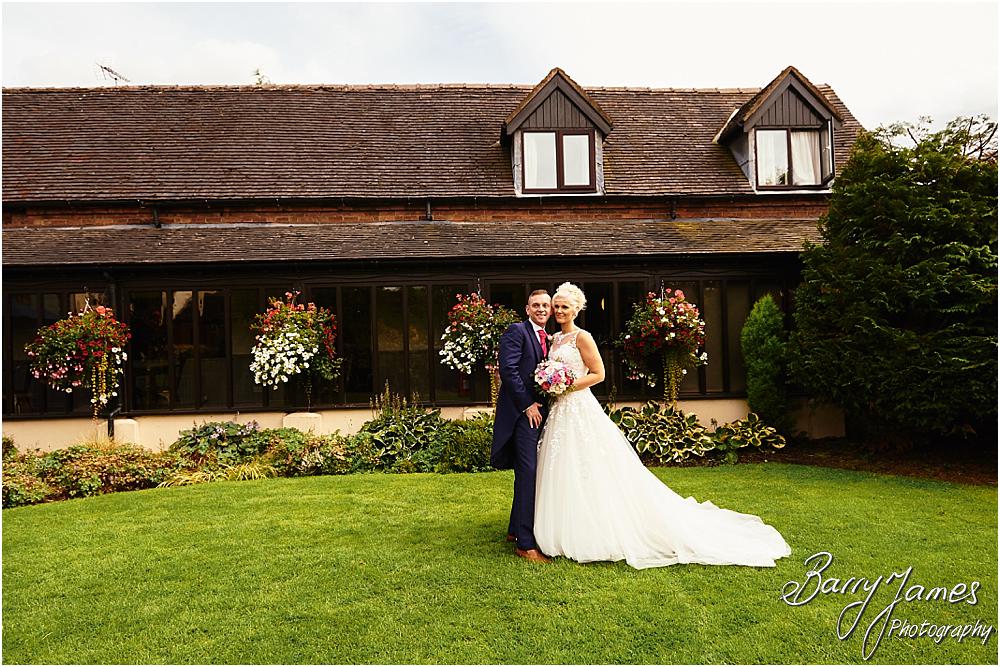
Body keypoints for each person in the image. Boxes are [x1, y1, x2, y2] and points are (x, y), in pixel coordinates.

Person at [533, 282, 792, 569]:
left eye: (564, 306)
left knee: (590, 465)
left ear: (577, 309)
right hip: (559, 411)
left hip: (578, 406)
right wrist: (551, 384)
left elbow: (599, 374)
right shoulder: (554, 339)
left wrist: (566, 385)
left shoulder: (583, 338)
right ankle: (565, 523)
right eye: (556, 306)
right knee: (563, 464)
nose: (558, 311)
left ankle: (595, 527)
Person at [491, 289, 552, 563]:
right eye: (536, 305)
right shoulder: (517, 331)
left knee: (528, 473)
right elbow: (508, 370)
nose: (541, 309)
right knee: (528, 473)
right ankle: (525, 545)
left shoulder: (548, 339)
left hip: (540, 412)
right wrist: (527, 404)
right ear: (527, 308)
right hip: (521, 415)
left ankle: (515, 530)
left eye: (545, 305)